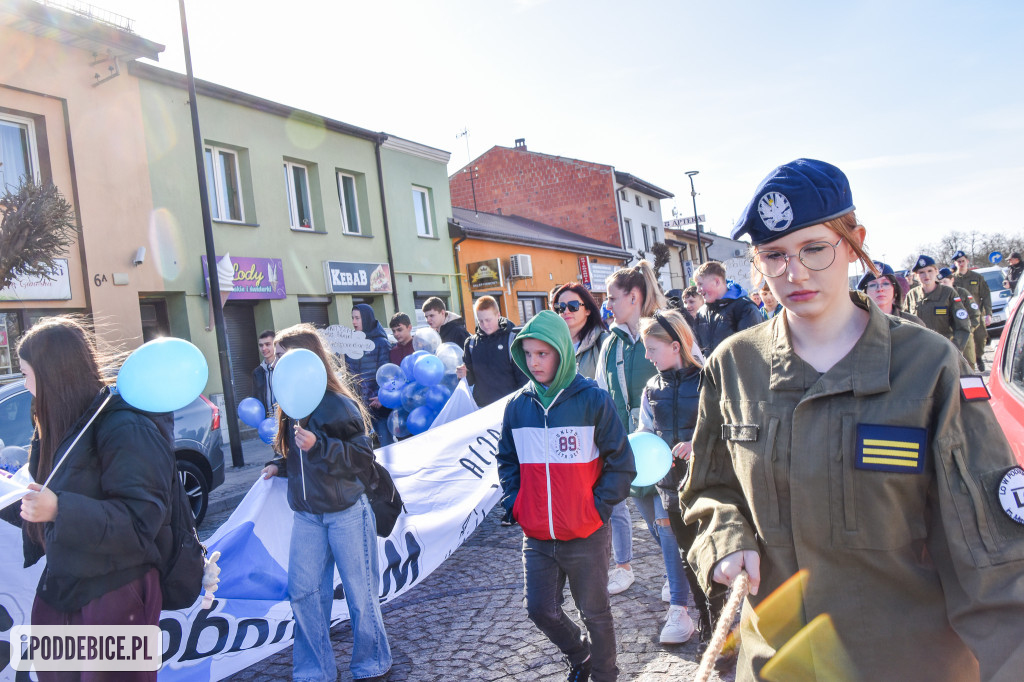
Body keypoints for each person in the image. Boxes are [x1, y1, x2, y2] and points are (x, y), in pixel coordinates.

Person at [682, 158, 1024, 681]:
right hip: (779, 664)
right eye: (773, 256)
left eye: (814, 248)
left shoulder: (928, 367)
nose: (793, 273)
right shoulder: (734, 366)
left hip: (905, 664)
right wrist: (726, 539)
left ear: (853, 241)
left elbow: (992, 559)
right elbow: (710, 487)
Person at [3, 316, 174, 682]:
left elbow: (141, 522)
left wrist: (59, 508)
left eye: (26, 374)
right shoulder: (58, 423)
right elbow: (47, 500)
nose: (24, 384)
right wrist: (19, 499)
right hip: (64, 586)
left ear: (52, 375)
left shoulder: (124, 424)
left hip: (116, 591)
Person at [496, 310, 635, 682]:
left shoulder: (593, 399)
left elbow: (621, 463)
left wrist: (596, 508)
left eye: (543, 354)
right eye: (528, 354)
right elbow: (507, 460)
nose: (534, 362)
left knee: (595, 612)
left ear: (561, 352)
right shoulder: (517, 406)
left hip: (586, 531)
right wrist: (516, 503)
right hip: (537, 534)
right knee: (540, 609)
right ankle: (580, 655)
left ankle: (606, 675)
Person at [261, 323, 392, 682]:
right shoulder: (289, 405)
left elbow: (364, 455)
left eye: (285, 356)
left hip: (347, 512)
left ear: (309, 359)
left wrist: (319, 445)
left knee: (360, 595)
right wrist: (279, 465)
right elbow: (299, 458)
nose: (278, 363)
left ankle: (372, 663)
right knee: (303, 594)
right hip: (307, 516)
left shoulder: (337, 403)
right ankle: (314, 671)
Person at [636, 309, 705, 646]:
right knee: (686, 555)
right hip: (669, 490)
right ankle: (694, 616)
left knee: (711, 554)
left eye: (652, 349)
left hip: (708, 487)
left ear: (676, 346)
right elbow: (645, 433)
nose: (647, 356)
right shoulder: (651, 388)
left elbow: (726, 428)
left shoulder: (709, 379)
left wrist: (698, 446)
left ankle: (720, 620)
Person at [457, 295, 527, 407]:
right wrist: (463, 374)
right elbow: (470, 381)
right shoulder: (471, 344)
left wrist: (522, 405)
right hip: (482, 408)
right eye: (480, 321)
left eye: (488, 320)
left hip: (510, 406)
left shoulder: (512, 340)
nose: (485, 325)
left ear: (498, 315)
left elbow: (524, 379)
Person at [692, 261, 764, 357]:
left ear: (717, 282)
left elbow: (754, 350)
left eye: (700, 284)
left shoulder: (745, 308)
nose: (698, 290)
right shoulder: (701, 313)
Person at [905, 255, 972, 354]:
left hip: (944, 350)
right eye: (921, 272)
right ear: (916, 276)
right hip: (919, 351)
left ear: (936, 271)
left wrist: (955, 348)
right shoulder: (912, 295)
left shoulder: (948, 293)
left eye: (930, 271)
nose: (926, 276)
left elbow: (962, 325)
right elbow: (905, 324)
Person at [347, 304, 393, 447]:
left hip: (378, 407)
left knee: (386, 446)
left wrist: (382, 396)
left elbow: (388, 374)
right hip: (359, 408)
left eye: (357, 318)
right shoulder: (352, 344)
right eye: (352, 318)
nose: (354, 322)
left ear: (366, 319)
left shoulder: (381, 343)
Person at [552, 282, 609, 380]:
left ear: (588, 310)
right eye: (561, 307)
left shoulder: (605, 342)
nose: (566, 311)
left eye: (573, 306)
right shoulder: (550, 344)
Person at [952, 250, 993, 371]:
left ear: (967, 261)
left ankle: (979, 356)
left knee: (980, 338)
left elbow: (986, 296)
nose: (961, 263)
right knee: (963, 340)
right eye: (958, 261)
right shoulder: (952, 279)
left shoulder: (977, 277)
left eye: (963, 261)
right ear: (955, 263)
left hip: (975, 314)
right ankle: (968, 363)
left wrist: (988, 313)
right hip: (958, 316)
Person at [940, 267, 982, 369]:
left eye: (945, 282)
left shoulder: (963, 293)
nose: (942, 285)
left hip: (965, 338)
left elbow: (975, 314)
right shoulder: (939, 297)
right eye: (940, 282)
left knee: (968, 366)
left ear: (952, 280)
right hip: (946, 339)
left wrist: (967, 330)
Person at [856, 262, 923, 325]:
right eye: (873, 285)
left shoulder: (913, 323)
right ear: (865, 292)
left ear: (895, 289)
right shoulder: (858, 325)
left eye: (885, 283)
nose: (880, 289)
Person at [252, 329, 277, 418]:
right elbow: (256, 399)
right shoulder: (257, 372)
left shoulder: (283, 367)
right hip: (266, 423)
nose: (264, 348)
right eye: (261, 345)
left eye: (268, 344)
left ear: (275, 345)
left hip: (285, 422)